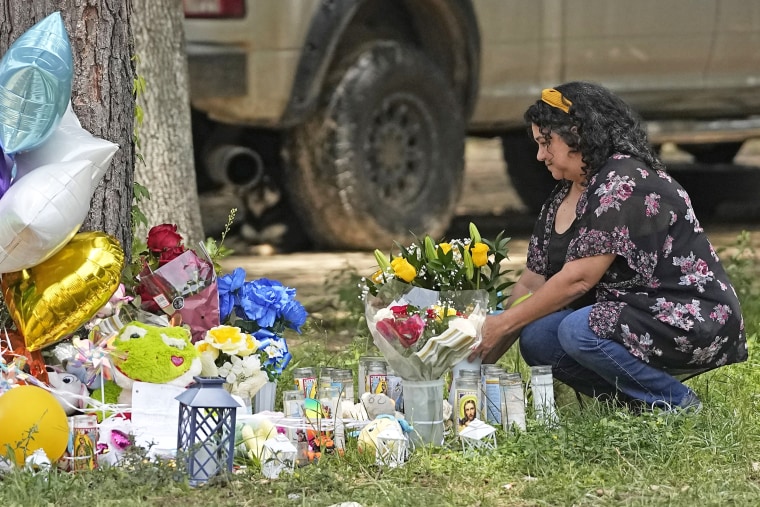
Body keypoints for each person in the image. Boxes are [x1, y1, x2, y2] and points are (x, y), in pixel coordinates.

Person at [471, 81, 747, 412]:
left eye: (547, 143)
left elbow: (578, 279)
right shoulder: (563, 196)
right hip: (630, 317)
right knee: (538, 336)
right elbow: (532, 283)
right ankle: (640, 404)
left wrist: (501, 324)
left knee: (578, 329)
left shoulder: (623, 182)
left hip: (688, 316)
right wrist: (477, 358)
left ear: (578, 134)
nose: (540, 155)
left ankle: (678, 404)